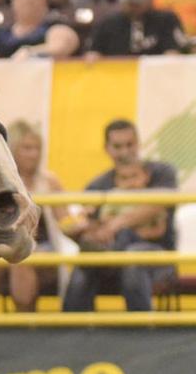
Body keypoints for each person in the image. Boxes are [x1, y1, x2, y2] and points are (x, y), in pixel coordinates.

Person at [63, 119, 176, 313]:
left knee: (131, 260)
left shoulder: (162, 172)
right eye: (118, 146)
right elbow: (89, 223)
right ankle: (72, 336)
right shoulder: (97, 185)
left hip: (155, 255)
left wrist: (116, 224)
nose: (124, 152)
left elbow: (161, 205)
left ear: (139, 143)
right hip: (107, 258)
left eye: (129, 144)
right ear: (107, 148)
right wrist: (84, 230)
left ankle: (142, 335)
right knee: (83, 268)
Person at [0, 120, 62, 312]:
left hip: (42, 251)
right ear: (12, 149)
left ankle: (24, 325)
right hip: (1, 248)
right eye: (27, 148)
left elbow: (66, 220)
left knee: (20, 257)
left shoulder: (49, 182)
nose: (34, 154)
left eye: (37, 148)